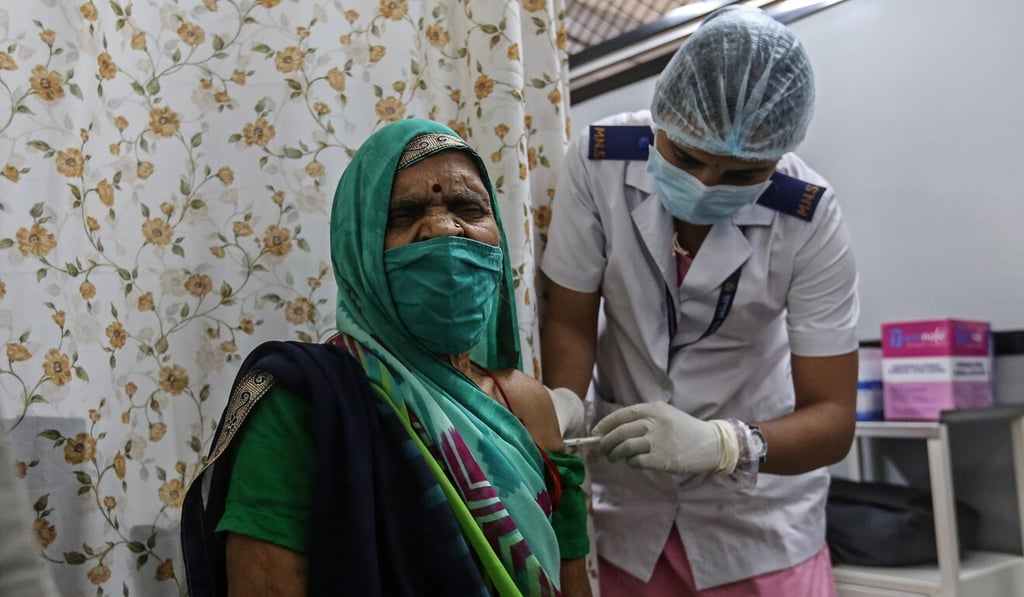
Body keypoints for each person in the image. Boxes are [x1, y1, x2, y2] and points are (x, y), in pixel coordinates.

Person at [182, 119, 591, 597]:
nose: (442, 227)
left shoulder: (528, 405)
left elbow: (572, 581)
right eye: (404, 214)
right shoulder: (303, 406)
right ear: (358, 246)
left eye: (467, 207)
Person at [540, 5, 858, 596]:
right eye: (685, 158)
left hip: (758, 521)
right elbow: (571, 317)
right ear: (663, 111)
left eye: (740, 176)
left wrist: (725, 445)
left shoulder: (809, 215)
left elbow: (833, 419)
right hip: (630, 507)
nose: (706, 184)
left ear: (777, 157)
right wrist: (563, 401)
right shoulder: (601, 160)